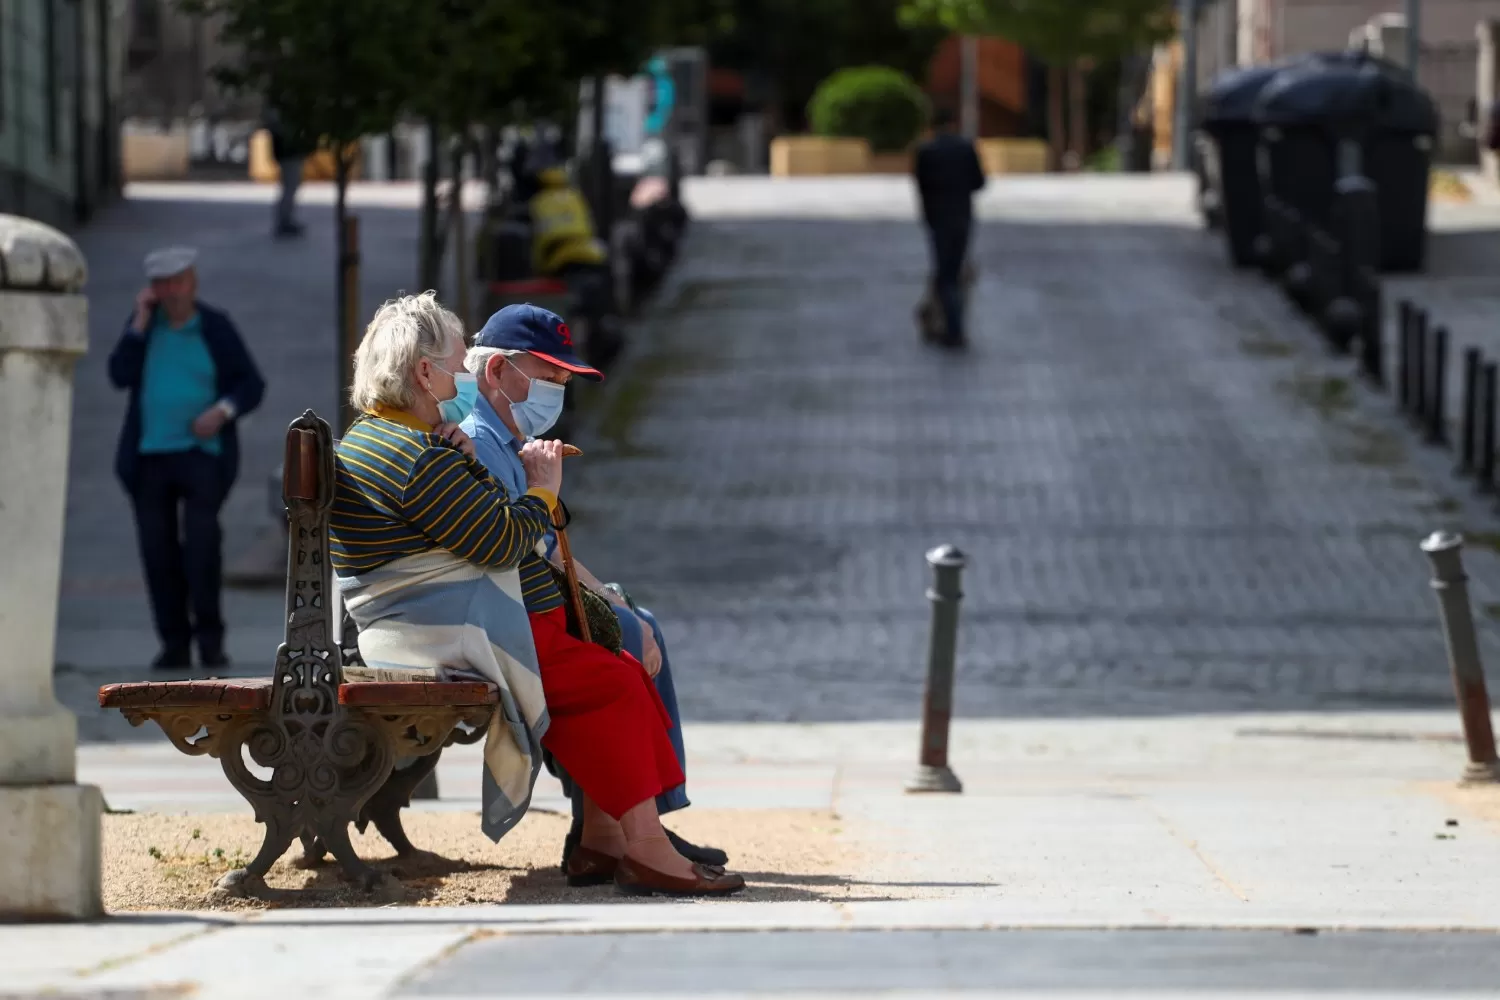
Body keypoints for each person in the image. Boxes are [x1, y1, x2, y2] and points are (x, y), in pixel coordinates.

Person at [329, 292, 744, 897]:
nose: (463, 372)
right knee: (617, 680)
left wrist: (466, 460)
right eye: (456, 361)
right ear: (424, 372)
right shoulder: (416, 455)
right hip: (453, 632)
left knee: (609, 670)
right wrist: (545, 491)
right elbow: (502, 542)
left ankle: (606, 839)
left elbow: (476, 527)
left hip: (432, 622)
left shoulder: (390, 440)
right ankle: (649, 849)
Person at [459, 303, 728, 873]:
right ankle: (624, 821)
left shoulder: (504, 436)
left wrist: (613, 598)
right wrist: (613, 607)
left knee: (637, 620)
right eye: (548, 377)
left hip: (514, 604)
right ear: (496, 372)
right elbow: (534, 547)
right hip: (501, 618)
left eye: (563, 381)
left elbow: (547, 550)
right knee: (630, 635)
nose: (557, 391)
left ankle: (626, 818)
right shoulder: (482, 440)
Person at [108, 247, 266, 669]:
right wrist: (139, 323)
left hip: (203, 456)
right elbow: (118, 374)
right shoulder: (144, 327)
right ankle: (174, 643)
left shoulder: (215, 327)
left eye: (179, 282)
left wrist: (222, 411)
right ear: (153, 290)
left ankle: (211, 641)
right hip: (148, 458)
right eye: (162, 285)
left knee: (202, 547)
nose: (172, 292)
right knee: (157, 552)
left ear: (193, 283)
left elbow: (251, 384)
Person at [524, 149, 625, 372]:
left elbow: (539, 239)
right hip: (593, 255)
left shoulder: (539, 202)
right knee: (600, 308)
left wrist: (539, 267)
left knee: (563, 315)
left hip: (562, 261)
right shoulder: (574, 196)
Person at [913, 106, 986, 348]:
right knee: (954, 272)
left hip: (937, 219)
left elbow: (920, 187)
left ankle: (951, 328)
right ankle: (952, 325)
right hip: (962, 217)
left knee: (945, 275)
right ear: (954, 124)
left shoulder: (926, 152)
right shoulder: (966, 149)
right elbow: (979, 183)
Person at [265, 105, 311, 238]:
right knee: (290, 187)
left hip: (287, 154)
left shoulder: (278, 114)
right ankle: (284, 221)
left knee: (290, 187)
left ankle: (285, 220)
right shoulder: (281, 116)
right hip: (288, 154)